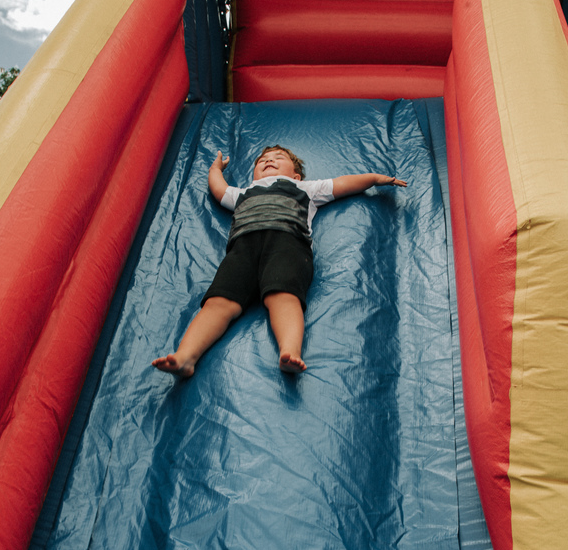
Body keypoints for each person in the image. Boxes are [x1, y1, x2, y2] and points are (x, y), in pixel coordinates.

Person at [153, 145, 406, 377]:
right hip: (243, 249)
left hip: (287, 244)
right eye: (262, 160)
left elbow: (341, 184)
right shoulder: (242, 194)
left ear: (296, 176)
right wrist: (215, 169)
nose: (269, 161)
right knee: (218, 302)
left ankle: (290, 351)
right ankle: (186, 356)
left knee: (283, 296)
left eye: (278, 158)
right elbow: (218, 189)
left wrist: (373, 179)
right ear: (253, 174)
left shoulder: (305, 189)